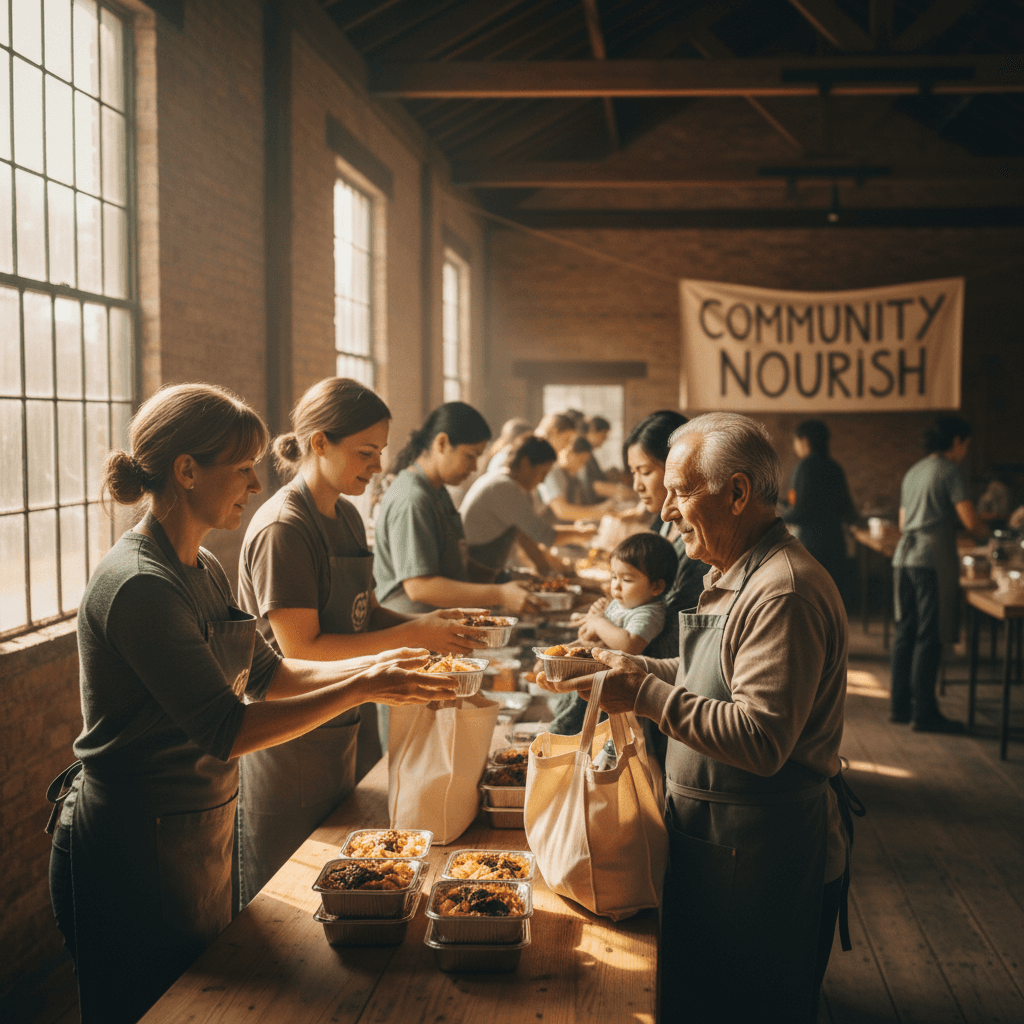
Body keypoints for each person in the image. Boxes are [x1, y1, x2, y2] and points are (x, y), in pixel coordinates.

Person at [47, 384, 457, 1024]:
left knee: (202, 1001)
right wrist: (366, 683)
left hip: (197, 825)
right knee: (143, 1006)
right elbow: (224, 728)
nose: (253, 482)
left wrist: (383, 664)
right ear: (187, 471)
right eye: (240, 469)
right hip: (135, 837)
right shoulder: (139, 584)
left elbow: (270, 674)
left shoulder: (203, 566)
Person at [539, 412, 853, 1024]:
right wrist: (614, 665)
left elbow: (761, 737)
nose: (666, 511)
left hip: (762, 856)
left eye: (681, 491)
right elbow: (701, 678)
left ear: (737, 493)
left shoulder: (782, 591)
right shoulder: (737, 573)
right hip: (720, 841)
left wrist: (642, 695)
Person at [235, 378, 489, 906]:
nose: (376, 467)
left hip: (341, 726)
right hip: (290, 738)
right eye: (365, 452)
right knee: (285, 895)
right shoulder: (285, 527)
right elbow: (301, 650)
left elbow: (364, 612)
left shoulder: (347, 515)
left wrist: (434, 626)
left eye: (380, 453)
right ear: (319, 442)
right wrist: (416, 631)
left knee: (342, 877)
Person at [373, 401, 537, 616]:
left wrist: (500, 578)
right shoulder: (412, 498)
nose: (475, 467)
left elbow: (455, 562)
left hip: (438, 623)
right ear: (441, 443)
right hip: (409, 626)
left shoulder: (437, 491)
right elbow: (420, 587)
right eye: (470, 456)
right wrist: (499, 594)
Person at [890, 414, 987, 733]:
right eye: (966, 444)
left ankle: (900, 707)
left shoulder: (913, 471)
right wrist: (992, 535)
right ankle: (925, 712)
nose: (966, 451)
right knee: (929, 636)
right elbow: (970, 521)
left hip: (903, 557)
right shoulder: (950, 471)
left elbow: (904, 523)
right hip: (930, 559)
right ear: (956, 441)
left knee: (906, 631)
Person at [781, 419, 856, 598]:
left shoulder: (804, 467)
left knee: (811, 601)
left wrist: (779, 514)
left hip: (810, 547)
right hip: (835, 545)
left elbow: (799, 511)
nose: (795, 446)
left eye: (795, 441)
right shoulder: (834, 467)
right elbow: (848, 510)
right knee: (831, 600)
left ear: (804, 441)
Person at [577, 532, 678, 655]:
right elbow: (589, 633)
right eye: (614, 577)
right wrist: (593, 618)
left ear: (656, 587)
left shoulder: (649, 614)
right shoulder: (622, 604)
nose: (616, 586)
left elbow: (629, 645)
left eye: (626, 580)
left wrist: (598, 622)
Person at [538, 435, 614, 522]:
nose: (581, 466)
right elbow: (562, 511)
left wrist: (603, 508)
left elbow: (581, 506)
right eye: (581, 460)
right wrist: (601, 513)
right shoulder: (551, 474)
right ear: (570, 453)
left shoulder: (573, 478)